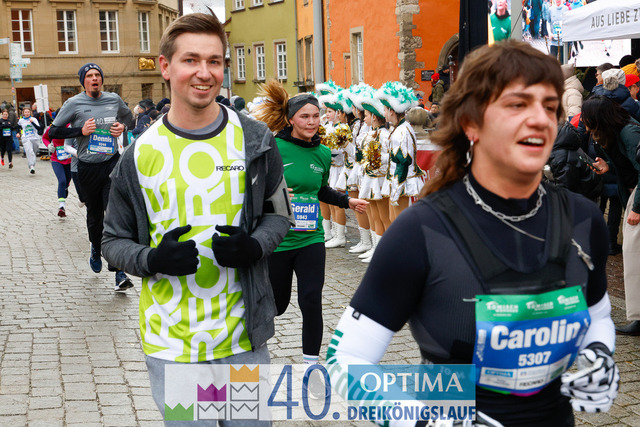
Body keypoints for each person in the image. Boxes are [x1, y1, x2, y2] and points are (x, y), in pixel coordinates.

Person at [327, 41, 619, 425]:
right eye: (517, 105)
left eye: (549, 107)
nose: (539, 119)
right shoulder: (421, 231)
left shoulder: (583, 217)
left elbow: (598, 314)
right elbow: (344, 361)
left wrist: (599, 354)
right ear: (471, 123)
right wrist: (426, 420)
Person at [100, 13, 294, 423]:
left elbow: (280, 215)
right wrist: (152, 259)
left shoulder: (255, 140)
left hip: (243, 342)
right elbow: (112, 241)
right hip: (172, 347)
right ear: (165, 66)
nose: (204, 73)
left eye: (214, 61)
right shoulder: (139, 154)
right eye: (191, 60)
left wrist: (254, 246)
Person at [253, 79, 367, 370]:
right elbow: (252, 189)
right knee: (278, 304)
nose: (312, 121)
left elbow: (320, 190)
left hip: (310, 238)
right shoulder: (273, 148)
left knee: (311, 299)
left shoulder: (323, 153)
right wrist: (275, 196)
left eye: (316, 115)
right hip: (279, 239)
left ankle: (311, 366)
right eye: (305, 116)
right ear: (291, 119)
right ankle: (246, 346)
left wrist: (347, 201)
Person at [49, 62, 135, 292]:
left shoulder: (114, 99)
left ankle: (119, 271)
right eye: (90, 76)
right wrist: (80, 131)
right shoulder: (74, 103)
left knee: (114, 214)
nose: (95, 78)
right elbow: (54, 131)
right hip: (87, 167)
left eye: (98, 75)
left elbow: (130, 120)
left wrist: (123, 127)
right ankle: (96, 247)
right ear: (83, 81)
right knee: (95, 216)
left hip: (111, 164)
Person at [581, 96, 640, 335]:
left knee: (633, 253)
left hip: (637, 195)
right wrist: (608, 167)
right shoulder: (616, 132)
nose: (585, 126)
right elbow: (626, 165)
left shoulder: (629, 132)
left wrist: (636, 207)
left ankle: (638, 317)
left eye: (587, 120)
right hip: (633, 193)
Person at [378, 81, 424, 220]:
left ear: (391, 111)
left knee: (397, 221)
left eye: (385, 110)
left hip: (401, 181)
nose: (384, 113)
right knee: (393, 220)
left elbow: (403, 162)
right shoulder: (401, 128)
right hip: (397, 180)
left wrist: (396, 190)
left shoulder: (401, 131)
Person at [357, 87, 391, 263]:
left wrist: (376, 158)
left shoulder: (385, 135)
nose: (364, 118)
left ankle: (386, 251)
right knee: (375, 216)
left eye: (367, 116)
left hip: (381, 179)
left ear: (375, 117)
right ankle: (376, 249)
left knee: (384, 217)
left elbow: (390, 156)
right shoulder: (370, 134)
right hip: (370, 178)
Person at [43, 125, 72, 217]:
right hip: (56, 159)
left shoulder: (71, 126)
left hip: (70, 159)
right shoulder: (52, 128)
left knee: (67, 181)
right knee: (62, 181)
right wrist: (48, 145)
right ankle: (61, 207)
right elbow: (44, 138)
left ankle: (65, 188)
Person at [17, 107, 43, 174]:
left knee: (33, 152)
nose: (27, 113)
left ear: (30, 113)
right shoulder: (21, 120)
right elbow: (18, 127)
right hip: (26, 138)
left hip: (35, 138)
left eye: (28, 112)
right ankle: (31, 166)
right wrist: (18, 133)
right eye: (25, 112)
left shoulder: (34, 119)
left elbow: (38, 128)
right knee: (29, 151)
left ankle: (32, 164)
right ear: (23, 113)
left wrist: (32, 122)